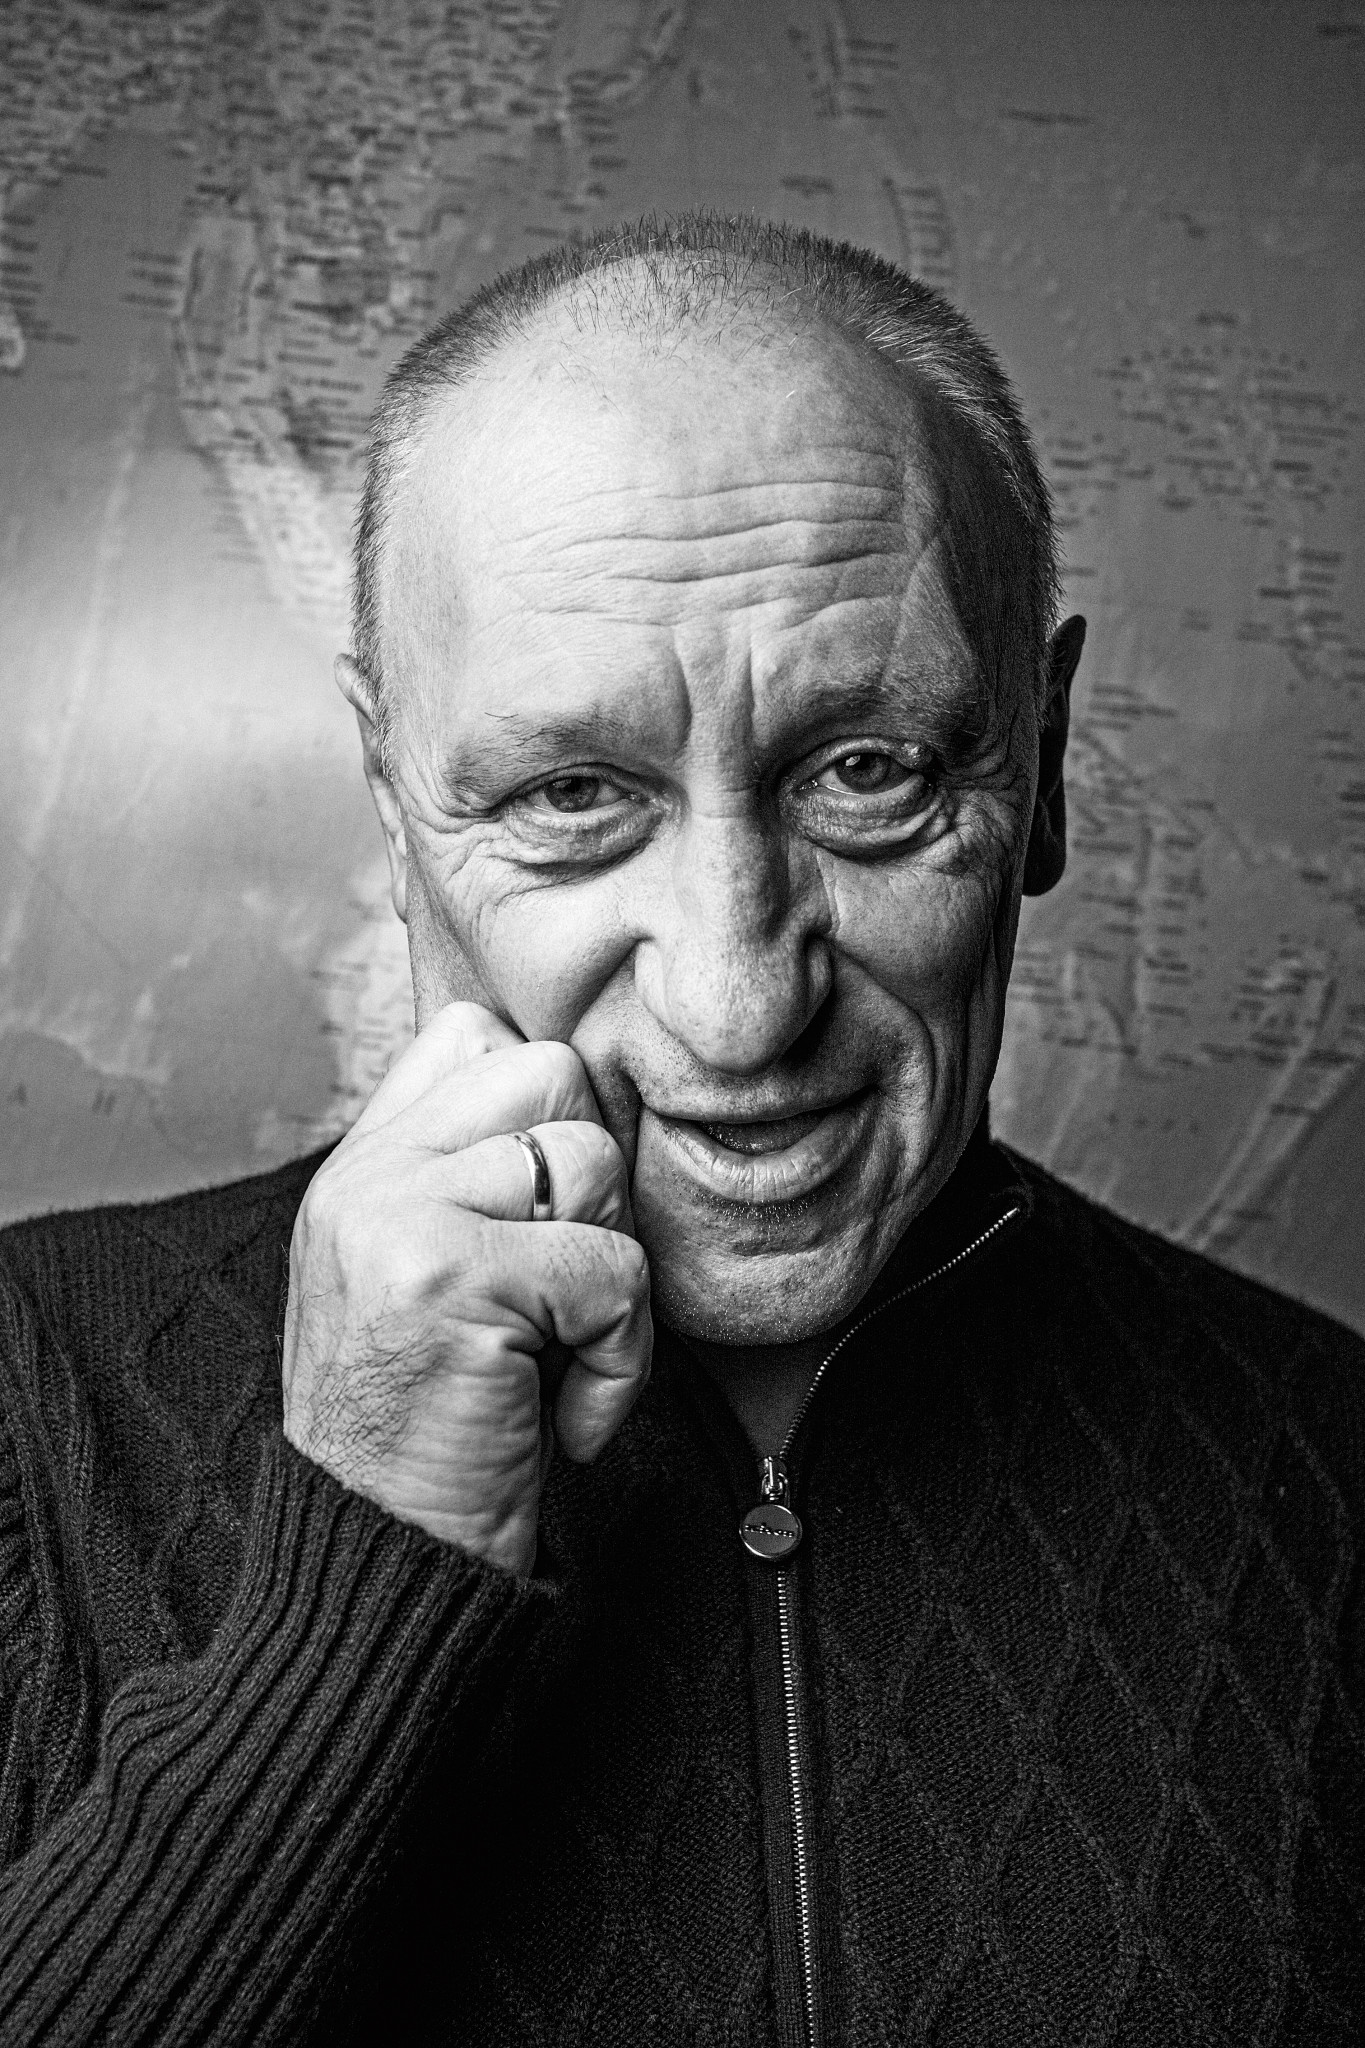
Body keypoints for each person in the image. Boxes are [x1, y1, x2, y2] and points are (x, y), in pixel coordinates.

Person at [0, 212, 1359, 2047]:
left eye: (866, 771)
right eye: (573, 793)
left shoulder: (1330, 1476)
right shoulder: (27, 1401)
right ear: (393, 798)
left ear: (1037, 765)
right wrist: (357, 1579)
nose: (737, 1002)